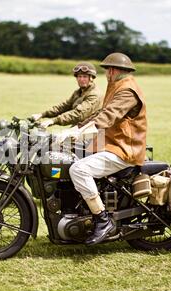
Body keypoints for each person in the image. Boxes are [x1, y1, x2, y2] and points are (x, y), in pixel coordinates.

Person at [69, 52, 148, 245]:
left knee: (78, 169)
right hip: (111, 144)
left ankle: (102, 220)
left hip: (123, 150)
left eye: (106, 70)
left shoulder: (127, 90)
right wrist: (74, 129)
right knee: (71, 154)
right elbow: (100, 113)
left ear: (113, 71)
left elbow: (108, 116)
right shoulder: (117, 86)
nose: (106, 74)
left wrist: (81, 132)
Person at [30, 62, 102, 128]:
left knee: (60, 140)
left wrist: (53, 121)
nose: (81, 79)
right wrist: (42, 114)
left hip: (92, 131)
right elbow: (64, 106)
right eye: (79, 76)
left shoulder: (94, 94)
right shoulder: (78, 92)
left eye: (84, 77)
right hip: (80, 127)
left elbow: (78, 114)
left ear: (91, 78)